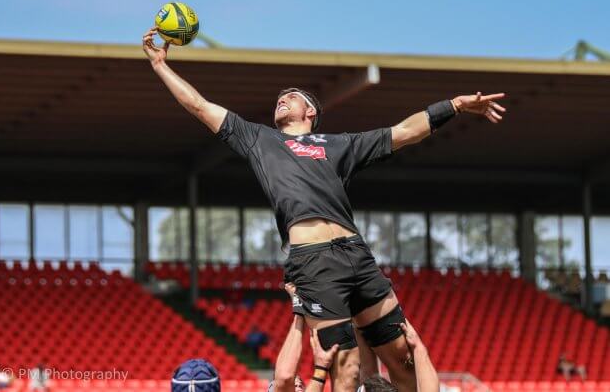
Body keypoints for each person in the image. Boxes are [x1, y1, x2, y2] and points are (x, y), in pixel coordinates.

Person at [143, 27, 506, 392]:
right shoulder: (259, 140)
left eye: (291, 97)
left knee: (401, 355)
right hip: (313, 262)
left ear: (310, 111)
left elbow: (403, 132)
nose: (282, 100)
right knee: (344, 370)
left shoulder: (338, 145)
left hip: (357, 255)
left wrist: (454, 106)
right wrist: (161, 67)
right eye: (279, 99)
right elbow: (199, 106)